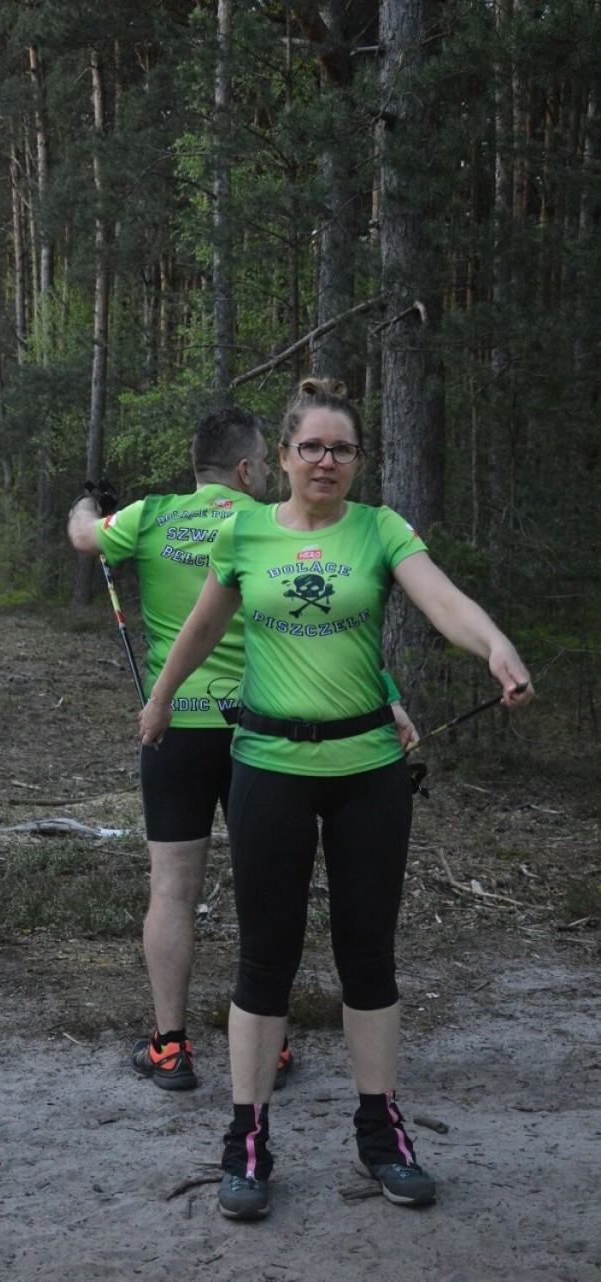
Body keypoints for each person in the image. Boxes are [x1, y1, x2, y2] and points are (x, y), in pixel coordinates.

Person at [138, 378, 534, 1218]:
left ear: (358, 461)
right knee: (264, 958)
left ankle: (381, 1130)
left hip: (368, 774)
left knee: (368, 957)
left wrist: (494, 642)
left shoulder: (379, 529)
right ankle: (247, 1137)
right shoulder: (244, 531)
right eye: (311, 447)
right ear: (279, 457)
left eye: (342, 449)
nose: (326, 461)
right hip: (270, 769)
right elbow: (206, 626)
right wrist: (163, 698)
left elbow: (441, 600)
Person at [69, 405, 416, 1094]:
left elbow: (85, 536)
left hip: (178, 727)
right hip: (264, 731)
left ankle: (171, 1045)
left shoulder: (153, 514)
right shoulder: (261, 530)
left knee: (172, 889)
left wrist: (89, 502)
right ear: (252, 466)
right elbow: (324, 631)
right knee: (268, 899)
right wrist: (388, 695)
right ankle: (270, 1045)